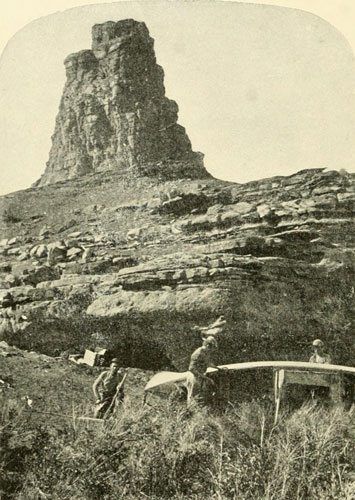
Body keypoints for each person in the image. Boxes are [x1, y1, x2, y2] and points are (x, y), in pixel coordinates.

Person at [188, 336, 227, 401]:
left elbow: (208, 363)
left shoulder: (205, 352)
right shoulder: (198, 353)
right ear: (208, 346)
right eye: (212, 348)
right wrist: (206, 378)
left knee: (203, 394)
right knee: (195, 397)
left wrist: (218, 368)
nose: (212, 350)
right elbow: (191, 369)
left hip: (201, 375)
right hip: (195, 376)